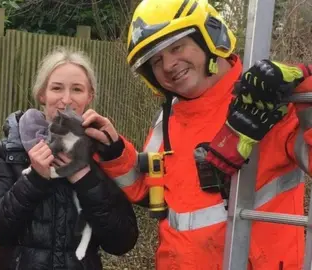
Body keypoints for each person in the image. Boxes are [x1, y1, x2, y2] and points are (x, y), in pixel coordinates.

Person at [79, 0, 312, 269]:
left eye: (176, 47)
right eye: (156, 60)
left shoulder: (267, 102)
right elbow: (150, 188)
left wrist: (306, 93)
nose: (168, 65)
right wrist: (115, 152)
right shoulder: (169, 119)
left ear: (209, 37)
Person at [0, 47, 139, 270]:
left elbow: (123, 241)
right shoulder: (9, 151)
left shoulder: (102, 153)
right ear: (42, 94)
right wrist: (34, 180)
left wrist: (84, 178)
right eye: (56, 88)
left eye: (77, 89)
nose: (66, 99)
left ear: (89, 96)